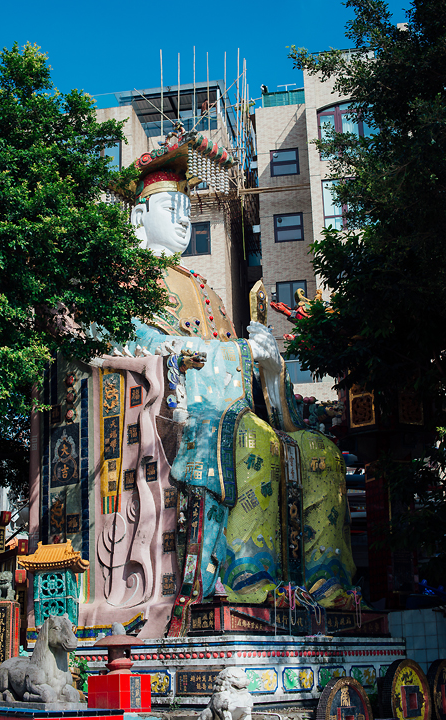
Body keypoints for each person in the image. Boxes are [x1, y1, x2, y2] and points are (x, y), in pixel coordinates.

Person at [127, 164, 356, 634]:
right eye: (171, 208)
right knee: (253, 440)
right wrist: (238, 355)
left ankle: (325, 582)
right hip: (170, 418)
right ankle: (247, 577)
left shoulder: (203, 289)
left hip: (228, 409)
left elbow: (235, 361)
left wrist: (268, 367)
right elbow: (147, 347)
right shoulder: (128, 281)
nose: (183, 218)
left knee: (318, 451)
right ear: (137, 218)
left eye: (187, 209)